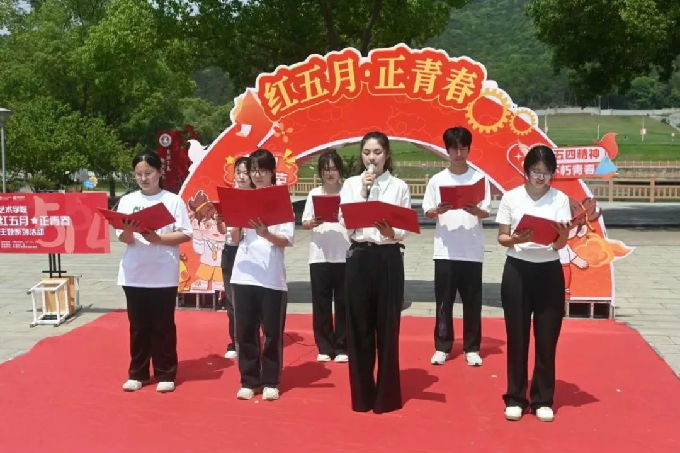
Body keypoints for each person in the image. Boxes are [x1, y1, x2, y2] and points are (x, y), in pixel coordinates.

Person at [495, 145, 571, 422]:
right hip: (517, 269)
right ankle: (516, 397)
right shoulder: (511, 197)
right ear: (526, 171)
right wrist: (517, 238)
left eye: (546, 172)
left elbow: (560, 244)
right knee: (517, 336)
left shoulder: (560, 199)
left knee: (547, 337)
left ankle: (542, 398)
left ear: (552, 174)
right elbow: (502, 237)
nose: (540, 177)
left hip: (548, 271)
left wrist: (563, 234)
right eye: (535, 171)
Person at [340, 131, 411, 413]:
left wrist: (392, 231)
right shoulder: (351, 184)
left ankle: (386, 397)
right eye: (367, 152)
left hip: (388, 258)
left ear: (387, 155)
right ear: (361, 155)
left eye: (377, 152)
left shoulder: (399, 186)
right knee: (359, 328)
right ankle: (362, 395)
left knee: (387, 327)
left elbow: (404, 227)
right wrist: (362, 192)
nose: (372, 158)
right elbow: (344, 220)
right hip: (359, 257)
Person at [117, 151, 192, 393]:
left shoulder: (173, 201)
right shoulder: (128, 201)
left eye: (148, 173)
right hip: (134, 274)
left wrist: (159, 238)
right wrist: (129, 230)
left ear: (159, 172)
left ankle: (165, 373)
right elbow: (124, 238)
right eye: (139, 174)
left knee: (163, 326)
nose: (144, 178)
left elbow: (185, 233)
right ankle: (138, 373)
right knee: (138, 327)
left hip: (163, 274)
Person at [422, 127, 490, 367]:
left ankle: (472, 348)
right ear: (447, 150)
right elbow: (428, 211)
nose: (459, 154)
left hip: (471, 250)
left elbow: (487, 211)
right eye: (454, 149)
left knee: (472, 302)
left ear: (469, 149)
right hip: (445, 250)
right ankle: (442, 346)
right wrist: (437, 210)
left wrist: (477, 210)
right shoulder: (438, 180)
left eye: (463, 148)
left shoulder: (479, 178)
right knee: (444, 302)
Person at [230, 148, 294, 401]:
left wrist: (266, 233)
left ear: (272, 172)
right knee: (245, 331)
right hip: (243, 274)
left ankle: (270, 380)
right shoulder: (242, 198)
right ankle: (249, 380)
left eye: (262, 170)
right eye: (253, 170)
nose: (257, 175)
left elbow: (286, 239)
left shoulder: (281, 200)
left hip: (271, 276)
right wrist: (234, 220)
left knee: (271, 332)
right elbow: (234, 239)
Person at [301, 150, 350, 363]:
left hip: (344, 254)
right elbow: (304, 222)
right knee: (321, 303)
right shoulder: (314, 193)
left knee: (344, 302)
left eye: (333, 169)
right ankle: (324, 346)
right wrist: (312, 222)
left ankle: (342, 346)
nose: (329, 173)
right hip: (319, 255)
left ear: (340, 170)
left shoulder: (349, 192)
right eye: (325, 169)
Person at [217, 155, 254, 359]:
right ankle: (235, 342)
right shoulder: (228, 196)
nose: (241, 177)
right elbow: (224, 230)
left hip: (250, 251)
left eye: (245, 173)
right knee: (232, 301)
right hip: (231, 249)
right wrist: (219, 220)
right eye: (238, 172)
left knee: (249, 299)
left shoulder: (257, 197)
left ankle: (251, 340)